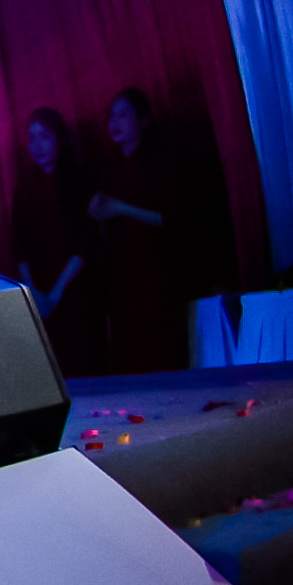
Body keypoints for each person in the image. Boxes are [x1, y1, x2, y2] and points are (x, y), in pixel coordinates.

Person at [84, 87, 211, 374]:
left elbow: (174, 218)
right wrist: (97, 214)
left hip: (158, 271)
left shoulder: (164, 161)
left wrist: (121, 208)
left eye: (123, 115)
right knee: (129, 354)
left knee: (160, 349)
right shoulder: (109, 169)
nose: (115, 122)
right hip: (122, 275)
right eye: (111, 116)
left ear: (143, 120)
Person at [9, 105, 97, 367]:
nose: (38, 145)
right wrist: (32, 290)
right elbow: (20, 244)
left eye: (44, 136)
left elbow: (85, 241)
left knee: (83, 357)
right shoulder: (24, 188)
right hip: (39, 287)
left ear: (60, 139)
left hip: (76, 285)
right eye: (32, 138)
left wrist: (58, 291)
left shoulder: (80, 180)